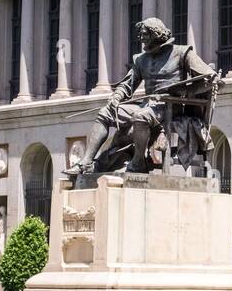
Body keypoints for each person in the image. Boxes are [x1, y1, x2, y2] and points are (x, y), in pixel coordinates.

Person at [67, 17, 219, 175]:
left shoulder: (182, 52)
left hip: (171, 107)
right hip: (147, 104)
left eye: (144, 34)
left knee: (141, 116)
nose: (141, 38)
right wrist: (116, 97)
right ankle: (86, 162)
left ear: (156, 34)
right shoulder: (141, 60)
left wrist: (186, 92)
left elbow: (212, 79)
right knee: (106, 112)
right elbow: (127, 85)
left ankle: (138, 161)